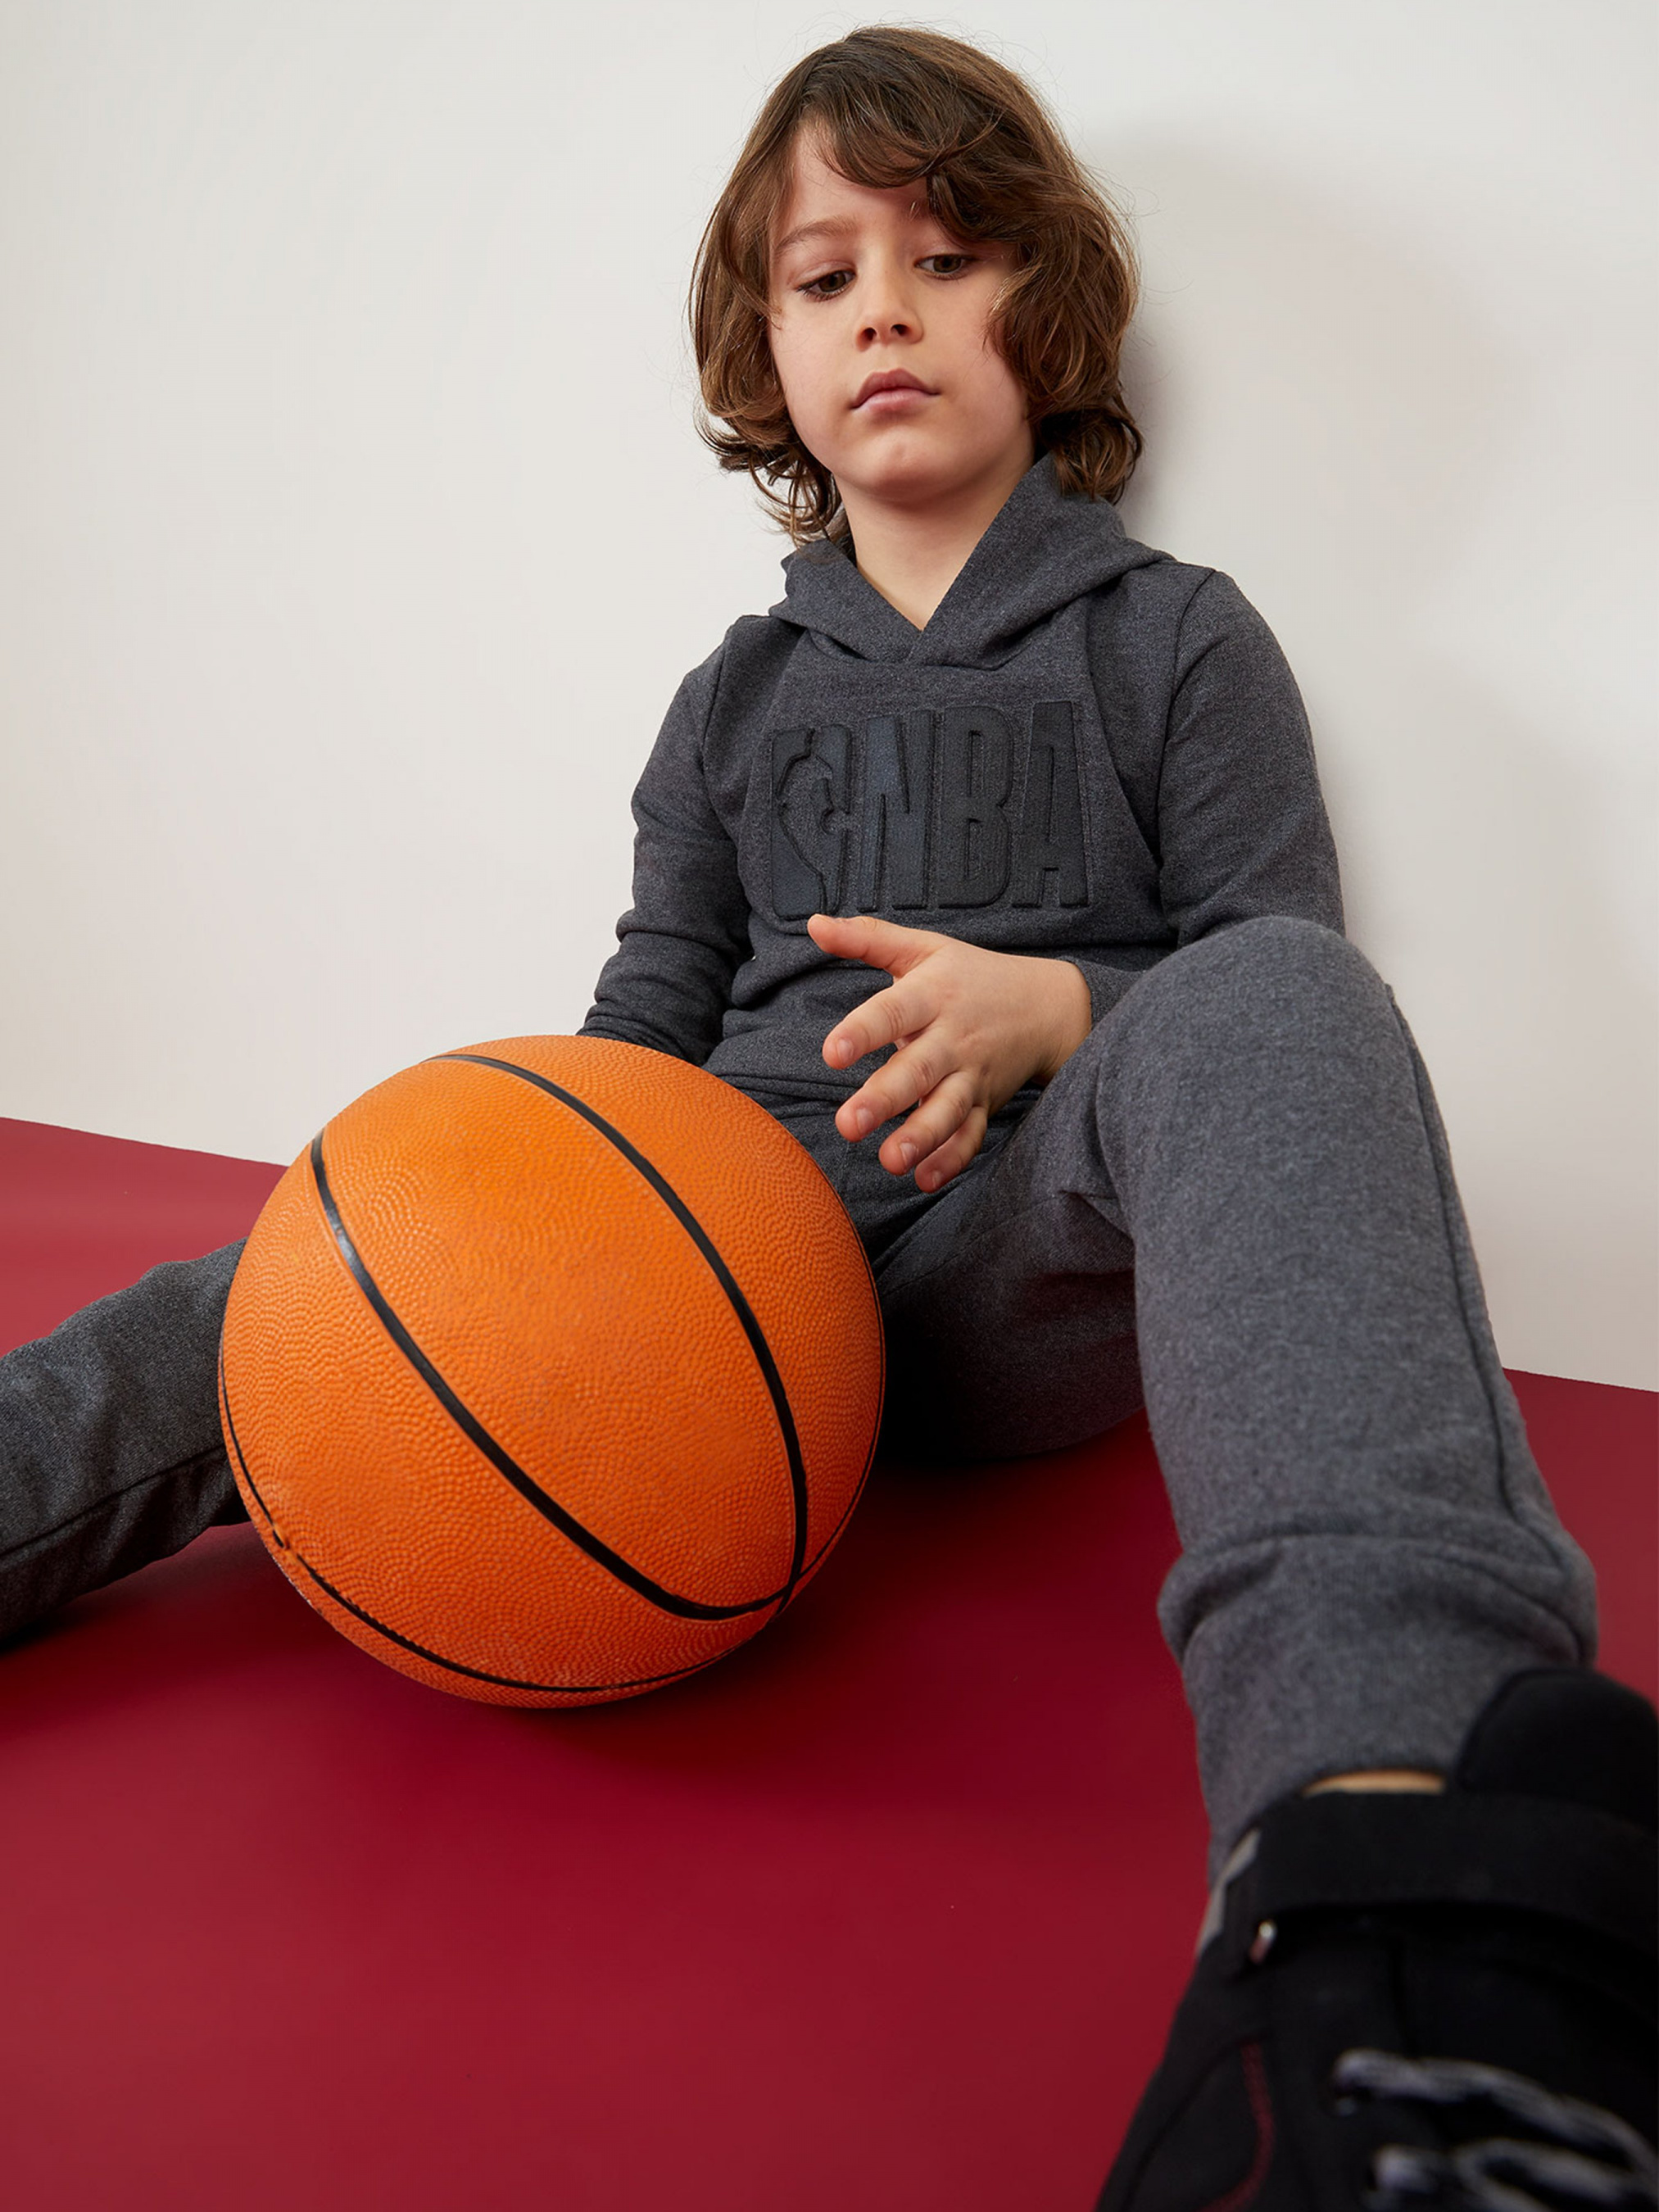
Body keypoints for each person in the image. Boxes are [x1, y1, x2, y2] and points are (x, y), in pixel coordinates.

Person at [1, 27, 1652, 2206]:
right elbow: (635, 1031)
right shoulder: (731, 701)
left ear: (1045, 306)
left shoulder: (1175, 643)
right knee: (288, 1286)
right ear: (764, 351)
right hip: (716, 1276)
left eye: (949, 257)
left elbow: (1281, 980)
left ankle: (1397, 1887)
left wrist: (1058, 1010)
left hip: (1003, 1266)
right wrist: (475, 1244)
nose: (885, 307)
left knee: (1273, 997)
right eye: (824, 273)